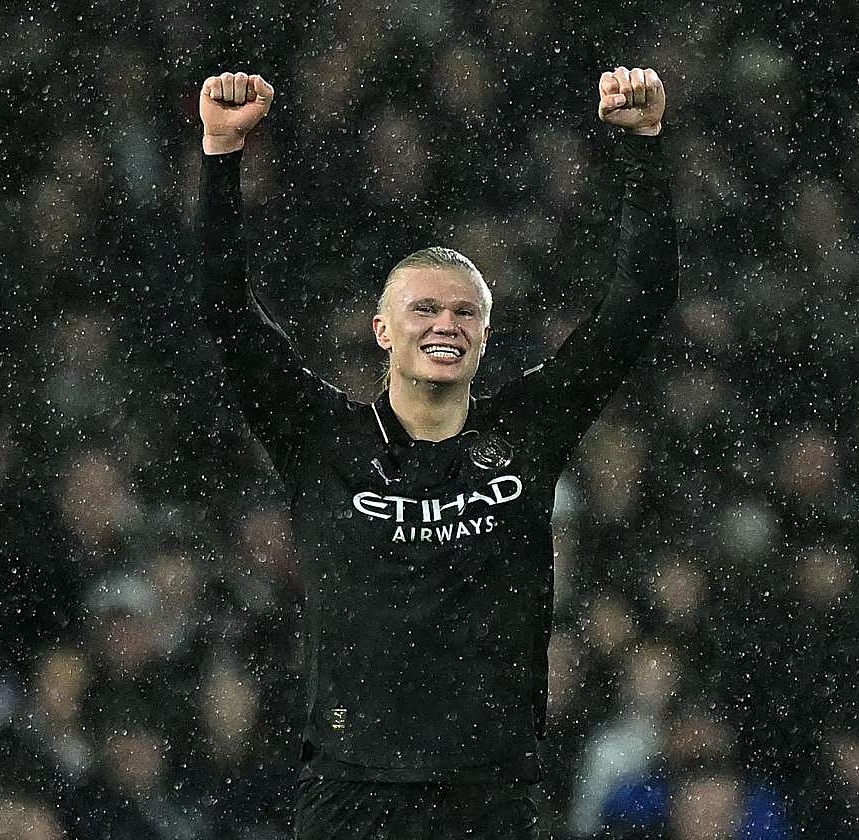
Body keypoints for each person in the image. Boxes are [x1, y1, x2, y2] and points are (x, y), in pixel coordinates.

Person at [197, 63, 678, 839]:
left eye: (463, 312)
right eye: (423, 309)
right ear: (383, 331)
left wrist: (644, 145)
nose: (444, 324)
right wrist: (222, 157)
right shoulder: (323, 440)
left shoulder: (526, 432)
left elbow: (638, 305)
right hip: (350, 792)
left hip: (487, 795)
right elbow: (226, 311)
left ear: (484, 335)